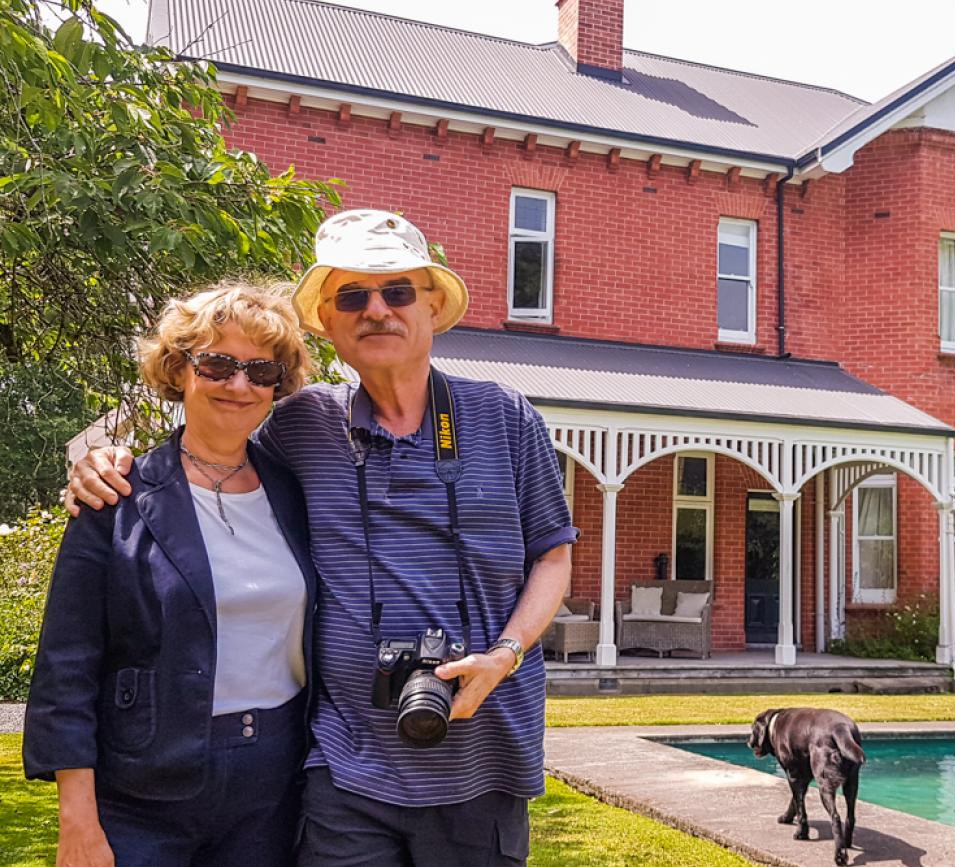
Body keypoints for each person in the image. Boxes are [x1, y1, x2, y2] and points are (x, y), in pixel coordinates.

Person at [66, 210, 577, 866]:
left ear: (430, 307)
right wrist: (104, 461)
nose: (376, 310)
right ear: (329, 324)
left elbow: (554, 555)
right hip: (346, 769)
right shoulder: (303, 423)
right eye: (352, 296)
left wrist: (506, 651)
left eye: (396, 291)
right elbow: (207, 441)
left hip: (483, 763)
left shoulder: (503, 416)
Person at [27, 282, 318, 866]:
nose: (239, 385)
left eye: (261, 371)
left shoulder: (297, 492)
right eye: (217, 364)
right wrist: (77, 816)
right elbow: (67, 663)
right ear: (178, 369)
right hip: (141, 789)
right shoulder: (118, 495)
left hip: (273, 780)